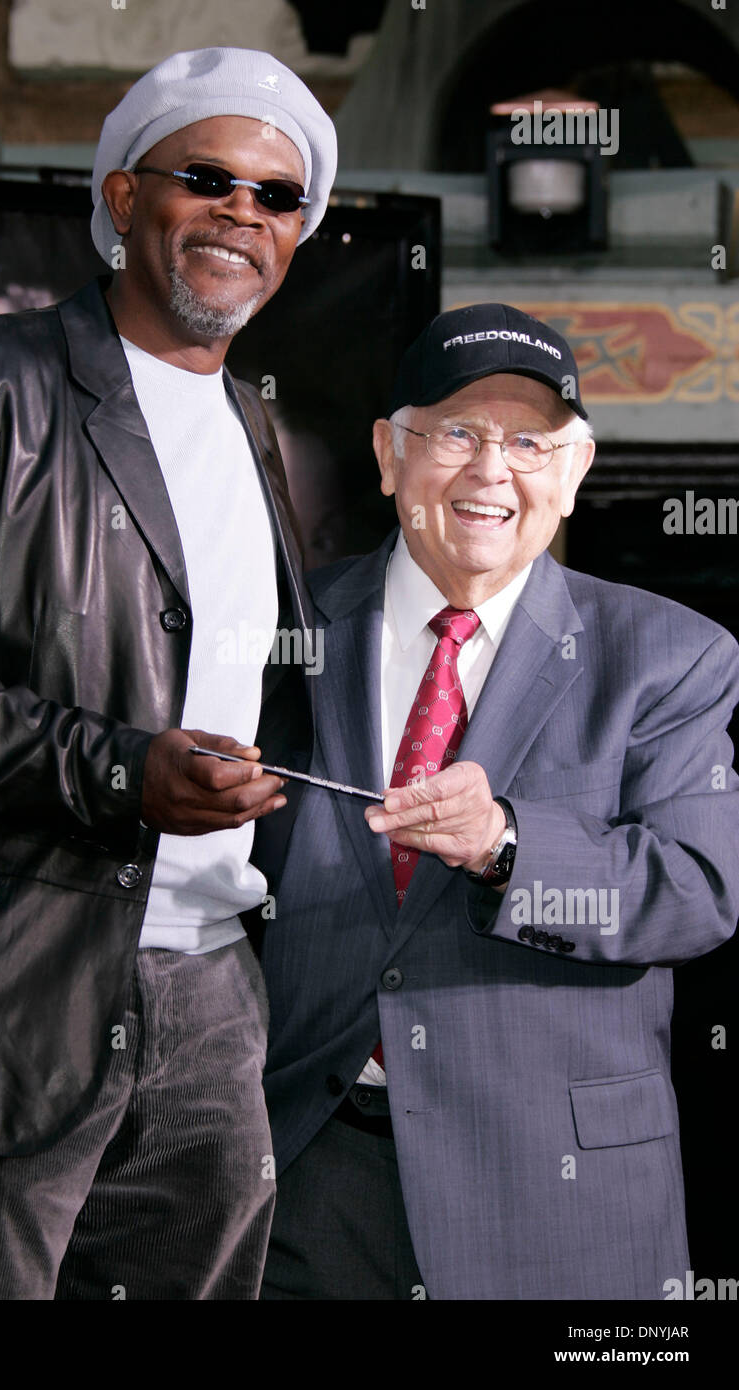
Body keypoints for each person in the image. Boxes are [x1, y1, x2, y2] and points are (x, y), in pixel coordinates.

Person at [0, 46, 336, 1300]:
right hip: (4, 984)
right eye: (204, 177)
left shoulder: (254, 422)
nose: (240, 214)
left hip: (209, 985)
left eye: (276, 196)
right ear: (120, 198)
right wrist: (110, 770)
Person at [258, 303, 739, 1301]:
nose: (491, 470)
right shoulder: (276, 634)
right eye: (457, 433)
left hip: (560, 1197)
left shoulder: (669, 656)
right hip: (304, 1179)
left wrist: (506, 845)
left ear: (573, 469)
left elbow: (694, 893)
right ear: (390, 453)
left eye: (530, 441)